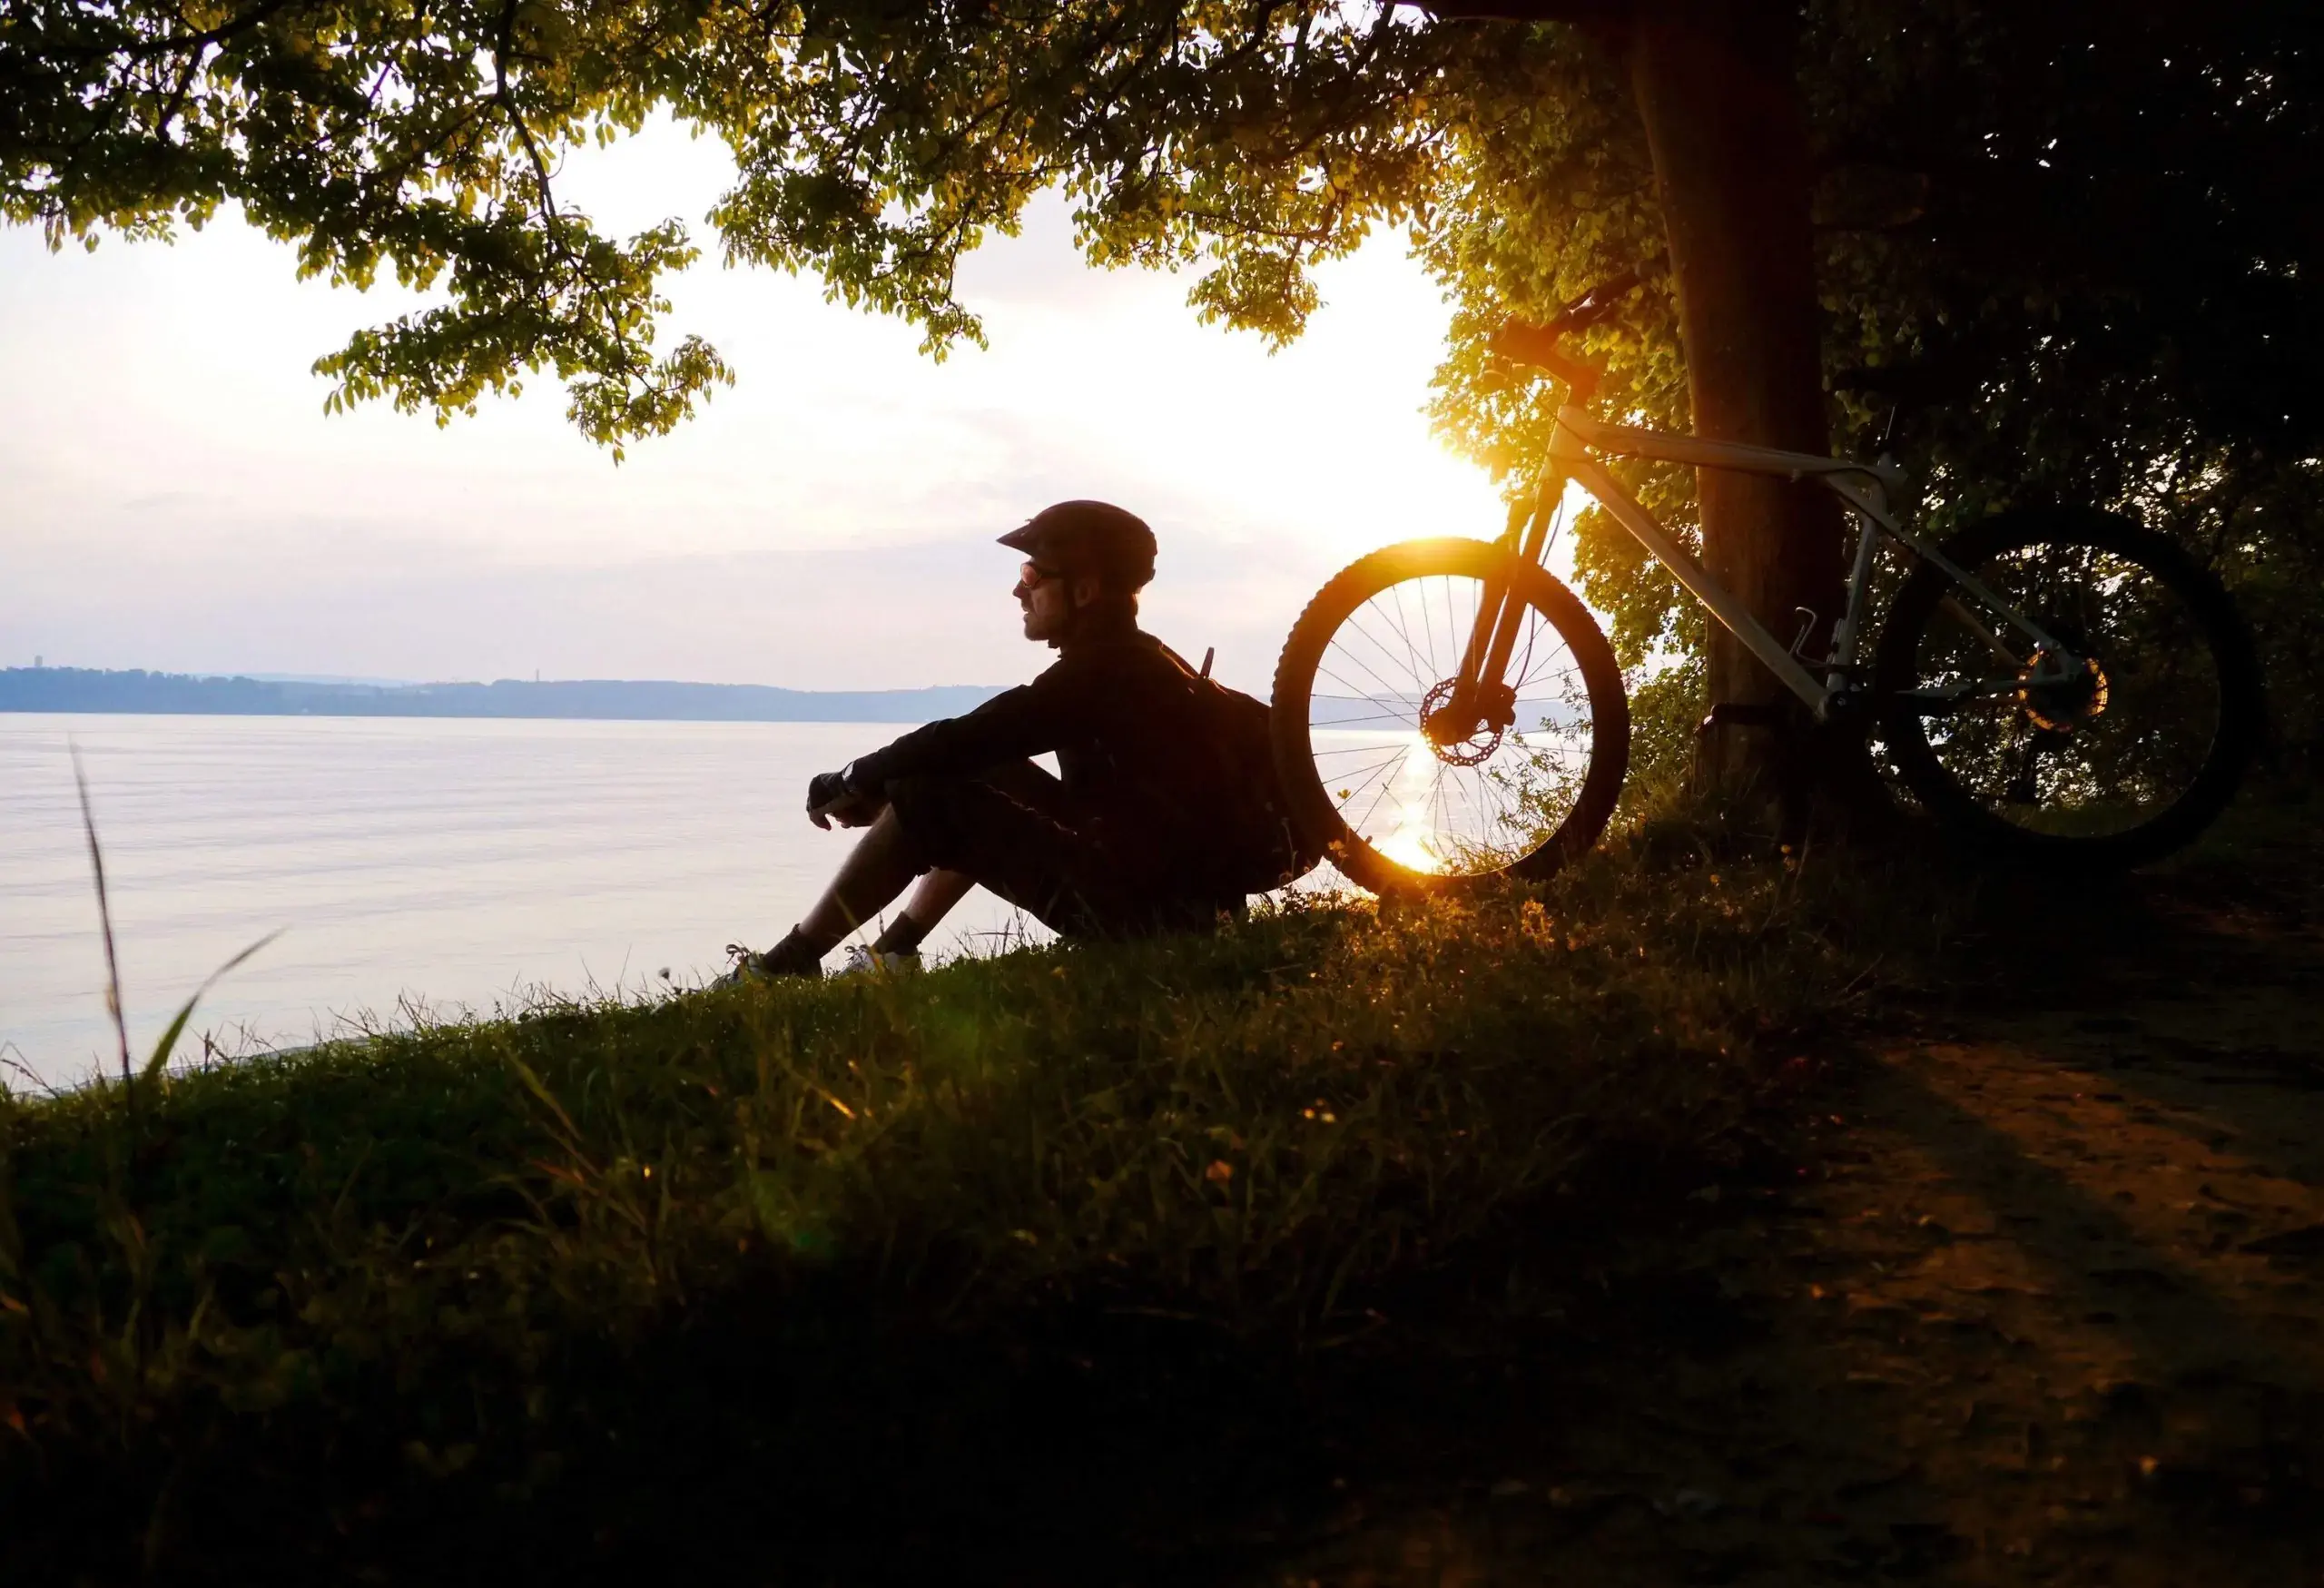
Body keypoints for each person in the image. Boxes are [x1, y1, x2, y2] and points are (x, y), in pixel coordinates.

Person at [724, 500, 1253, 981]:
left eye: (1032, 575)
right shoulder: (1145, 660)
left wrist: (851, 779)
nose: (1019, 590)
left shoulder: (1100, 676)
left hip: (1150, 916)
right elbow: (974, 745)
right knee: (976, 772)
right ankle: (894, 954)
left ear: (1085, 590)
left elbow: (966, 736)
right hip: (1181, 899)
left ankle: (787, 966)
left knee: (929, 793)